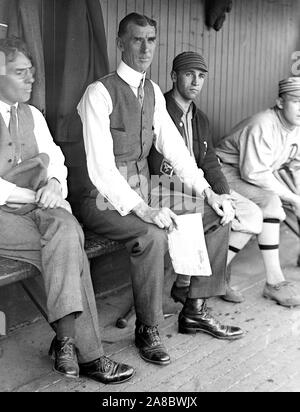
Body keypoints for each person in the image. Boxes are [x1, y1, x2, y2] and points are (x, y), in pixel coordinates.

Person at [78, 12, 244, 368]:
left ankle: (194, 307)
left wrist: (207, 191)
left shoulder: (152, 91)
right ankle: (148, 328)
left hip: (146, 186)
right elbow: (101, 169)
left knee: (215, 213)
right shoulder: (99, 92)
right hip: (102, 196)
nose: (144, 47)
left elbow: (176, 149)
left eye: (150, 40)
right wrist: (143, 208)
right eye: (136, 39)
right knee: (152, 234)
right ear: (120, 42)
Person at [0, 37, 134, 384]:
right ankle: (86, 353)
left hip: (38, 204)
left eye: (31, 72)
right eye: (20, 72)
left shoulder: (31, 114)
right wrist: (31, 195)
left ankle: (66, 342)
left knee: (66, 233)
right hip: (3, 214)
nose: (30, 80)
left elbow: (56, 158)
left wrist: (56, 184)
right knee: (69, 243)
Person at [148, 51, 263, 304]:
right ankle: (191, 286)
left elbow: (210, 162)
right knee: (213, 217)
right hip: (165, 190)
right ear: (174, 76)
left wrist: (223, 194)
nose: (195, 81)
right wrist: (207, 196)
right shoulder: (159, 110)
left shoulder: (201, 119)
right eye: (189, 74)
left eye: (201, 76)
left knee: (250, 215)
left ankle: (205, 279)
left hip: (202, 188)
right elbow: (155, 169)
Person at [216, 76, 300, 307]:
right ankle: (272, 282)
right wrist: (292, 197)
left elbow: (295, 167)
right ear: (280, 102)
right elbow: (253, 173)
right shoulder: (263, 123)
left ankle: (272, 282)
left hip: (247, 175)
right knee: (270, 203)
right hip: (221, 172)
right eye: (296, 101)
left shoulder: (296, 128)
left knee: (272, 203)